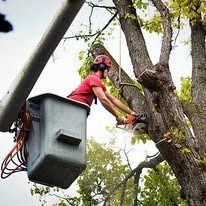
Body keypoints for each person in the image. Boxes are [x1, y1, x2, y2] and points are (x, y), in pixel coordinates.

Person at [67, 54, 145, 125]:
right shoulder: (94, 78)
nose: (108, 73)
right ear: (102, 67)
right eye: (108, 69)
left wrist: (132, 113)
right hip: (72, 107)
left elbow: (114, 100)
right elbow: (103, 99)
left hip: (78, 109)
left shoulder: (99, 84)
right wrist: (117, 115)